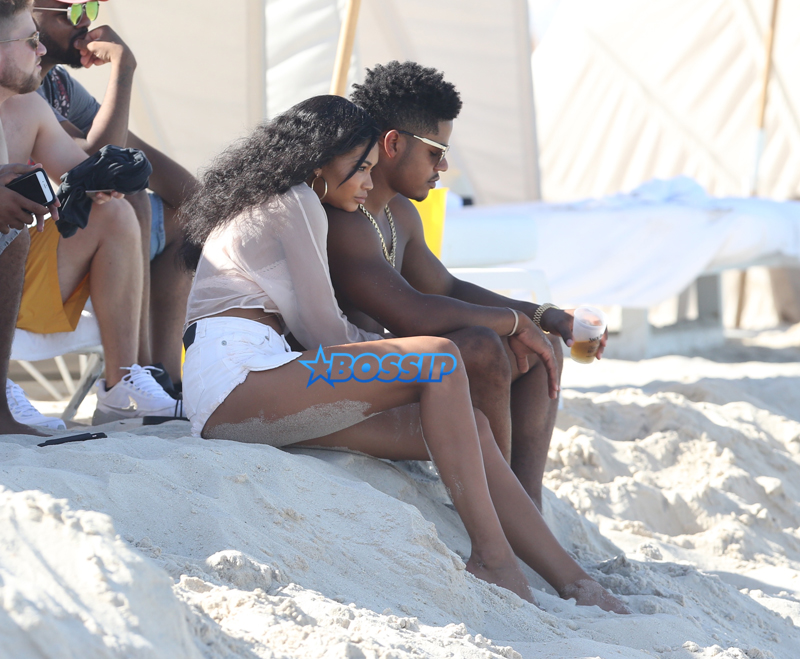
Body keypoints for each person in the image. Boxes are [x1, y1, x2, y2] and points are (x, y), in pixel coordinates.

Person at [179, 94, 628, 614]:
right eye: (361, 169)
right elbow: (327, 335)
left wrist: (400, 357)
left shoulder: (292, 202)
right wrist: (407, 354)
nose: (369, 183)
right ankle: (493, 558)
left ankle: (575, 583)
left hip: (255, 387)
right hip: (239, 375)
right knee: (437, 358)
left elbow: (340, 330)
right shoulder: (296, 201)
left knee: (472, 426)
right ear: (321, 162)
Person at [324, 61, 604, 510]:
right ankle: (502, 507)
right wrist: (513, 321)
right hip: (333, 381)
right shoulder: (344, 221)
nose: (445, 165)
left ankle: (522, 503)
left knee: (540, 345)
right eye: (436, 152)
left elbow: (447, 288)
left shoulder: (398, 213)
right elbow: (412, 313)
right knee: (478, 345)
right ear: (393, 144)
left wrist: (546, 316)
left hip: (385, 374)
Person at [0, 3, 179, 424]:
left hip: (14, 281)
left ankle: (123, 388)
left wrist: (113, 175)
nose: (40, 49)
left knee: (113, 211)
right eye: (30, 41)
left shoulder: (27, 108)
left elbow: (84, 173)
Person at [31, 0, 196, 387]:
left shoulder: (57, 86)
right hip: (22, 268)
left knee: (185, 222)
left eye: (89, 6)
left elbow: (186, 191)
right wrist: (124, 68)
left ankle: (165, 378)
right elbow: (93, 172)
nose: (85, 20)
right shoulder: (19, 90)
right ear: (24, 12)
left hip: (57, 258)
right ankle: (133, 377)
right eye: (68, 11)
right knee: (126, 197)